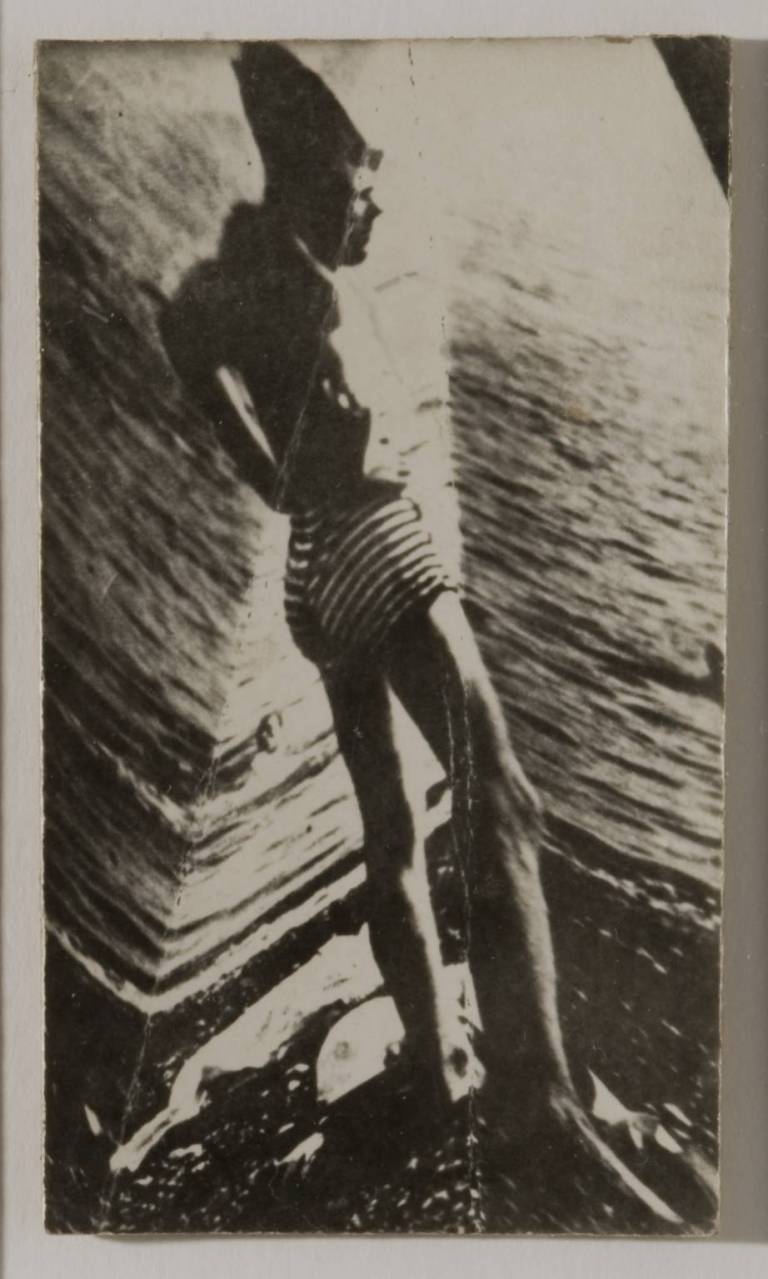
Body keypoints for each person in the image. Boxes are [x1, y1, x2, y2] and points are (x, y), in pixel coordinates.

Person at [160, 44, 674, 1203]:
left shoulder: (230, 283)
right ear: (302, 185)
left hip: (313, 580)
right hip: (381, 552)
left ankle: (442, 1064)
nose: (372, 200)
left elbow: (185, 337)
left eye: (374, 177)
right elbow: (345, 442)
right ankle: (535, 1099)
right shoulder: (318, 291)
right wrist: (343, 451)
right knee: (504, 797)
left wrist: (267, 470)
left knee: (391, 832)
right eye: (355, 182)